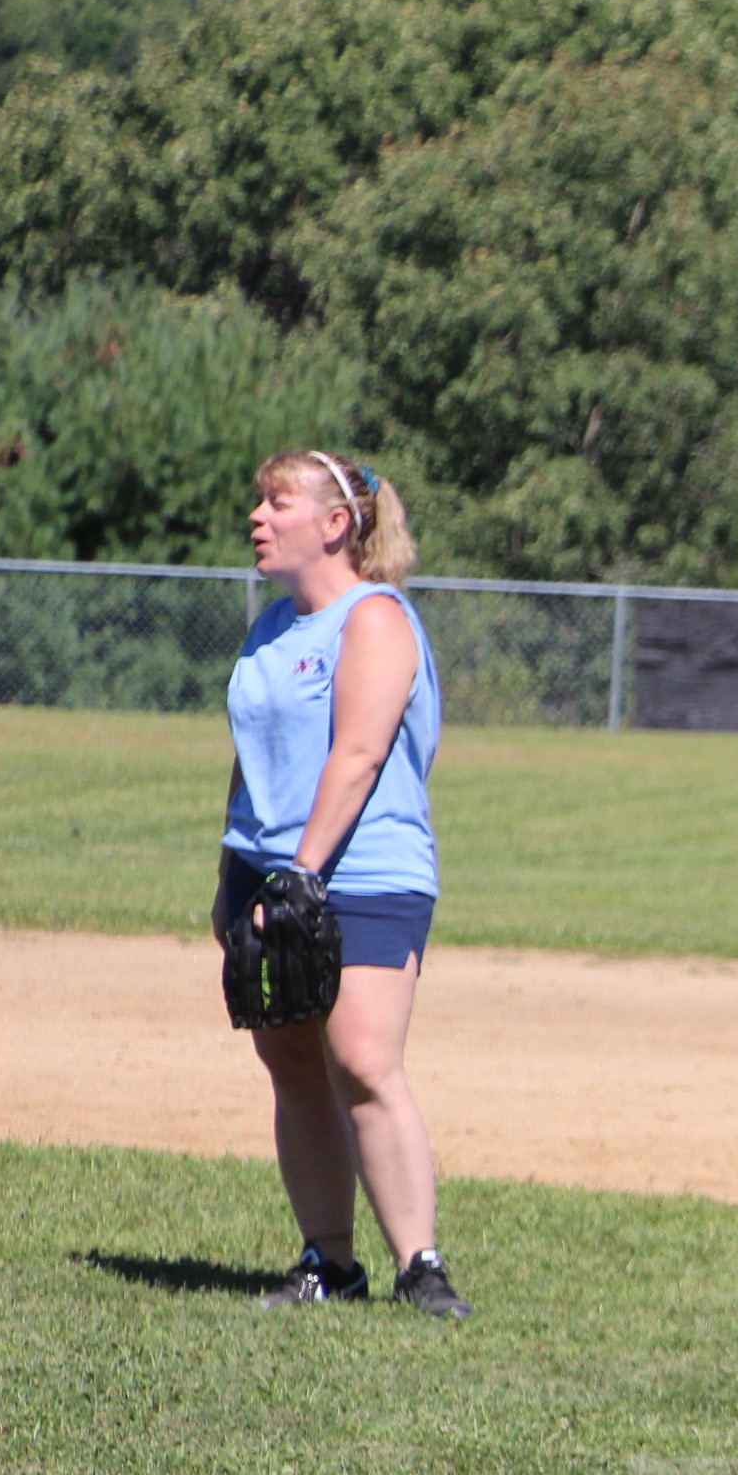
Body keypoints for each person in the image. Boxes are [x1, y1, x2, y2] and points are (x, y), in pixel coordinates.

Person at [216, 450, 468, 1318]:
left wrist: (299, 876)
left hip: (366, 871)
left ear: (334, 525)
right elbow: (251, 760)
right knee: (292, 1063)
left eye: (276, 502)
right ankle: (329, 1260)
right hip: (267, 871)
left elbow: (357, 755)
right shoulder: (270, 628)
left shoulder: (376, 619)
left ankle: (420, 1265)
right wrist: (233, 875)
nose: (257, 516)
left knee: (361, 1059)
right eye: (259, 501)